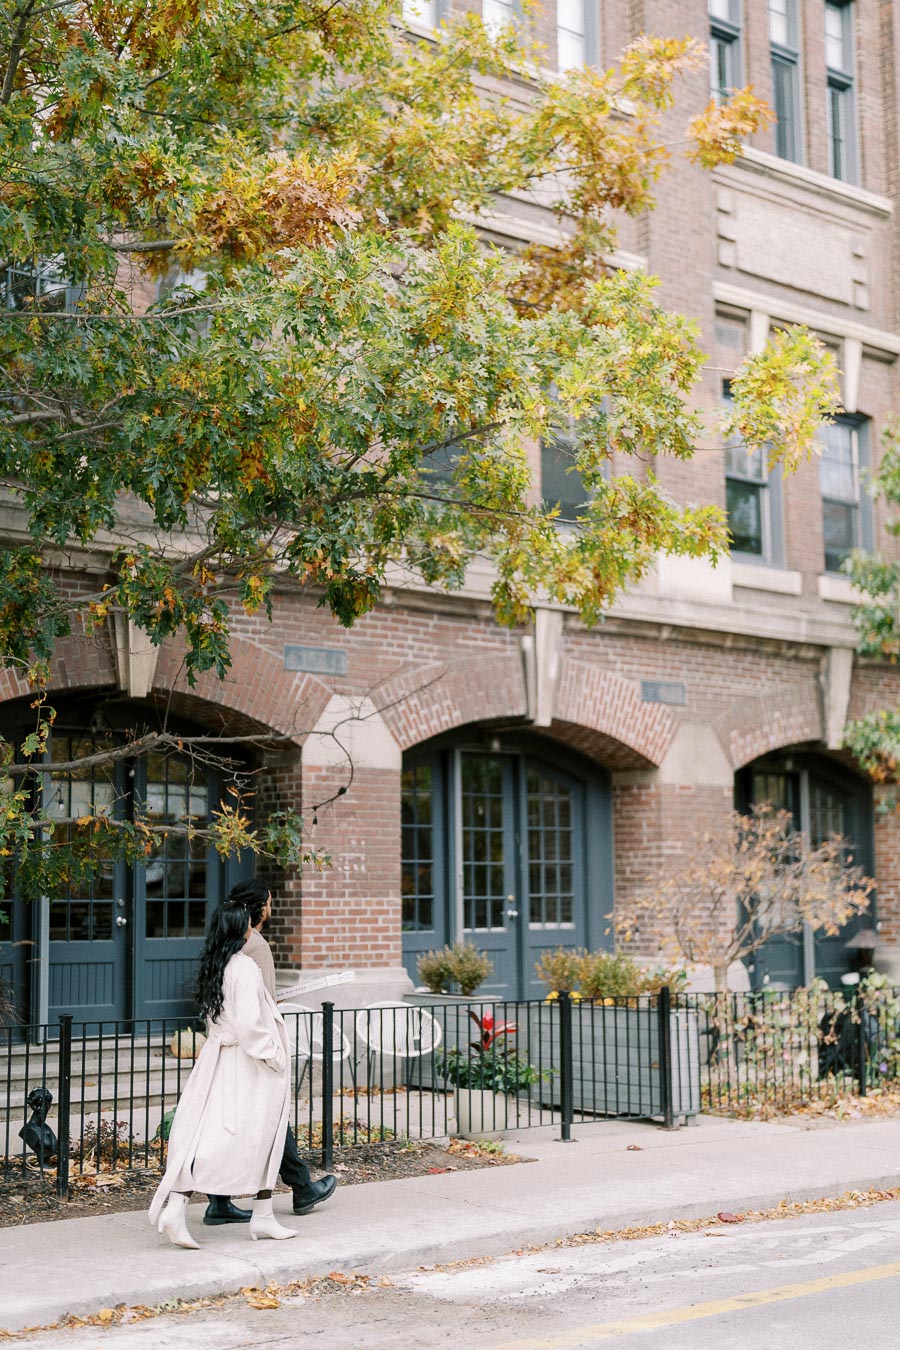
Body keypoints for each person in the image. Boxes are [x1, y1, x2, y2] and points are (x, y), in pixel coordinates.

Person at [149, 902, 296, 1248]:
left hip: (221, 1060)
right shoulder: (243, 967)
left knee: (251, 1137)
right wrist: (273, 1055)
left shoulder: (217, 964)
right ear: (240, 930)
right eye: (248, 925)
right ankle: (179, 1205)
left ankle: (263, 1215)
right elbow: (249, 1024)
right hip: (246, 1067)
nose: (251, 930)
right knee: (236, 1138)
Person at [203, 879, 337, 1227]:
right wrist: (272, 1051)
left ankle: (221, 1200)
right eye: (270, 901)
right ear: (259, 908)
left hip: (230, 1047)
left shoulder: (223, 942)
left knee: (237, 1122)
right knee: (270, 1119)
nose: (272, 907)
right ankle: (300, 1187)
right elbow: (255, 1006)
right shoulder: (255, 947)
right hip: (251, 1049)